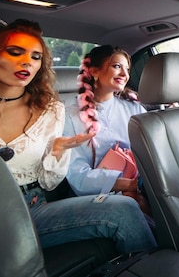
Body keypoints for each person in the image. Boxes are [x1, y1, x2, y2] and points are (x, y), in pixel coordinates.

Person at [0, 18, 157, 255]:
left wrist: (57, 152)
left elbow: (48, 183)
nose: (27, 62)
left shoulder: (50, 111)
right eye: (15, 52)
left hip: (33, 210)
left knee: (124, 210)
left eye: (35, 56)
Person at [63, 45, 153, 223]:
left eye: (127, 69)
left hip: (144, 186)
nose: (124, 74)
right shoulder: (69, 116)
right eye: (117, 66)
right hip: (103, 192)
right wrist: (128, 185)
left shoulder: (135, 109)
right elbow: (77, 175)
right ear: (94, 71)